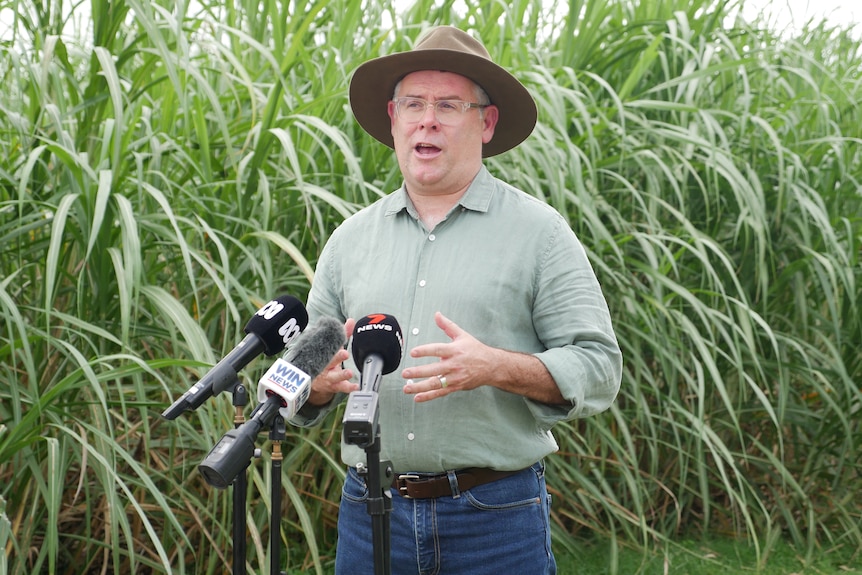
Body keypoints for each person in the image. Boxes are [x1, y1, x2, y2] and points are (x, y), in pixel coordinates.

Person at [290, 25, 622, 575]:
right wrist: (318, 387)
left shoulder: (540, 233)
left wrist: (497, 367)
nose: (428, 120)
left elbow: (598, 366)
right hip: (370, 514)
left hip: (495, 518)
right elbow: (307, 369)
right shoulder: (349, 240)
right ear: (393, 119)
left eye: (448, 105)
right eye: (414, 104)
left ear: (486, 122)